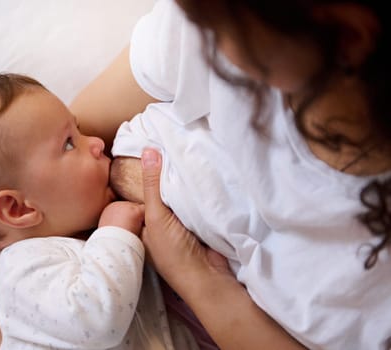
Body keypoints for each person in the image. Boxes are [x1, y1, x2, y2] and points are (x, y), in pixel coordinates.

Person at [69, 0, 391, 349]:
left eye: (219, 31)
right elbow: (56, 152)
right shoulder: (213, 18)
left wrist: (196, 276)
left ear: (348, 36)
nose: (202, 37)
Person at [0, 73, 202, 350]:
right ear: (18, 208)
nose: (98, 143)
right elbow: (98, 319)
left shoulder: (78, 241)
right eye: (69, 143)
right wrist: (115, 232)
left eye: (78, 130)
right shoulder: (21, 271)